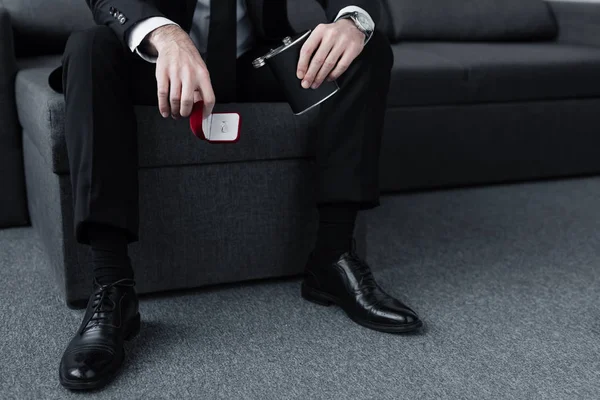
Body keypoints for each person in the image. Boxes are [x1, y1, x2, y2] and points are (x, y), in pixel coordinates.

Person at [48, 0, 423, 391]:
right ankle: (112, 288)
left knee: (367, 48)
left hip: (254, 61)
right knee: (88, 48)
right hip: (158, 60)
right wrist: (163, 33)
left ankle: (332, 258)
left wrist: (352, 21)